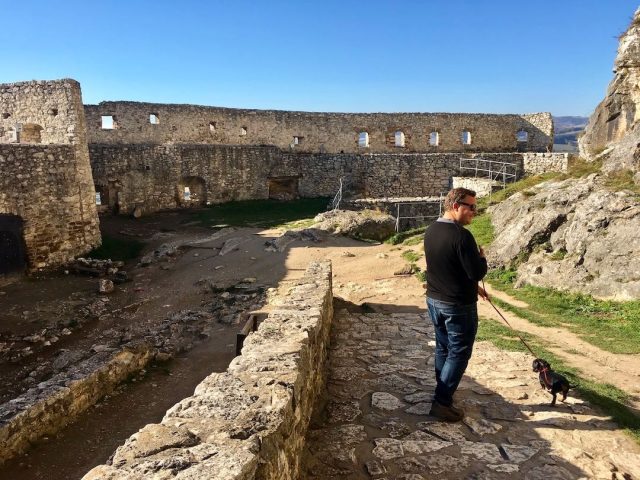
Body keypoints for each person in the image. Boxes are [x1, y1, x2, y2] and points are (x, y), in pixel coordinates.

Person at [423, 187, 488, 422]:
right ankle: (441, 402)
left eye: (474, 207)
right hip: (457, 306)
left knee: (443, 348)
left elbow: (446, 267)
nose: (474, 211)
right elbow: (475, 271)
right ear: (456, 206)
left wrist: (476, 288)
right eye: (470, 207)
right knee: (459, 352)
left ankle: (443, 391)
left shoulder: (432, 230)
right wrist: (482, 259)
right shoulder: (462, 236)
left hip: (435, 300)